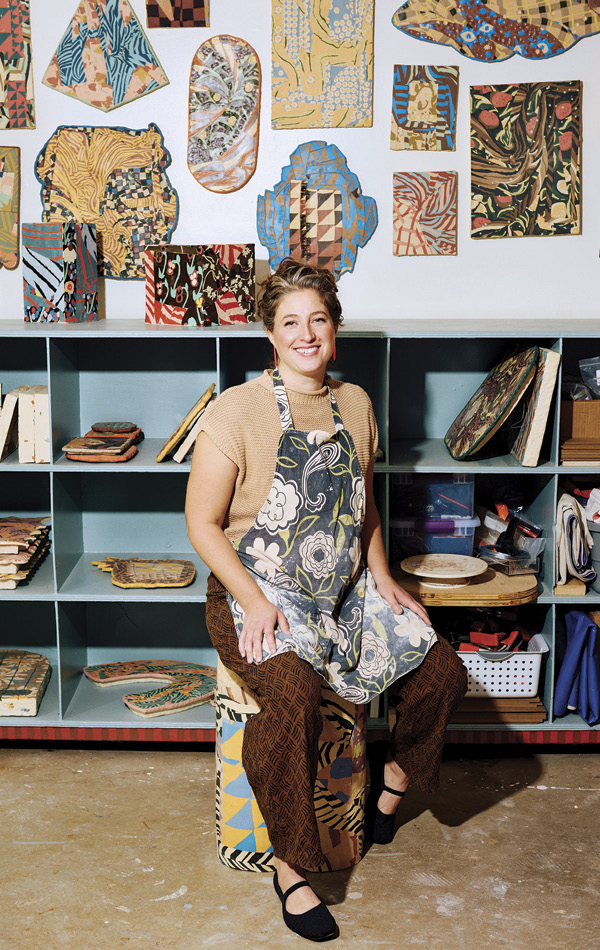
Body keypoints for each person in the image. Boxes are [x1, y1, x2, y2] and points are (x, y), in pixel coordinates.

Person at [185, 259, 468, 942]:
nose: (307, 334)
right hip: (254, 593)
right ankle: (292, 866)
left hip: (339, 594)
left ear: (334, 328)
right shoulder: (238, 410)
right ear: (271, 336)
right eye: (291, 323)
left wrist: (385, 582)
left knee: (442, 672)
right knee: (291, 695)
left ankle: (393, 787)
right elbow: (201, 524)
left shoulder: (357, 405)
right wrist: (253, 603)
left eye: (318, 319)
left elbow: (363, 509)